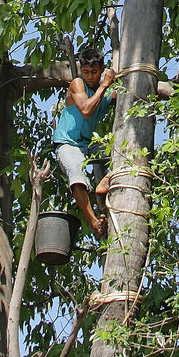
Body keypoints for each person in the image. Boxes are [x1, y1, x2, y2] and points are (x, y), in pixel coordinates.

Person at [53, 49, 117, 238]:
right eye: (86, 72)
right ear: (81, 70)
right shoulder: (77, 84)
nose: (90, 76)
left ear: (102, 69)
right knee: (75, 171)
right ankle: (93, 221)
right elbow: (86, 109)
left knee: (121, 152)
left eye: (94, 72)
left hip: (90, 144)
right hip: (68, 143)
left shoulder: (105, 92)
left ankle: (107, 179)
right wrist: (104, 85)